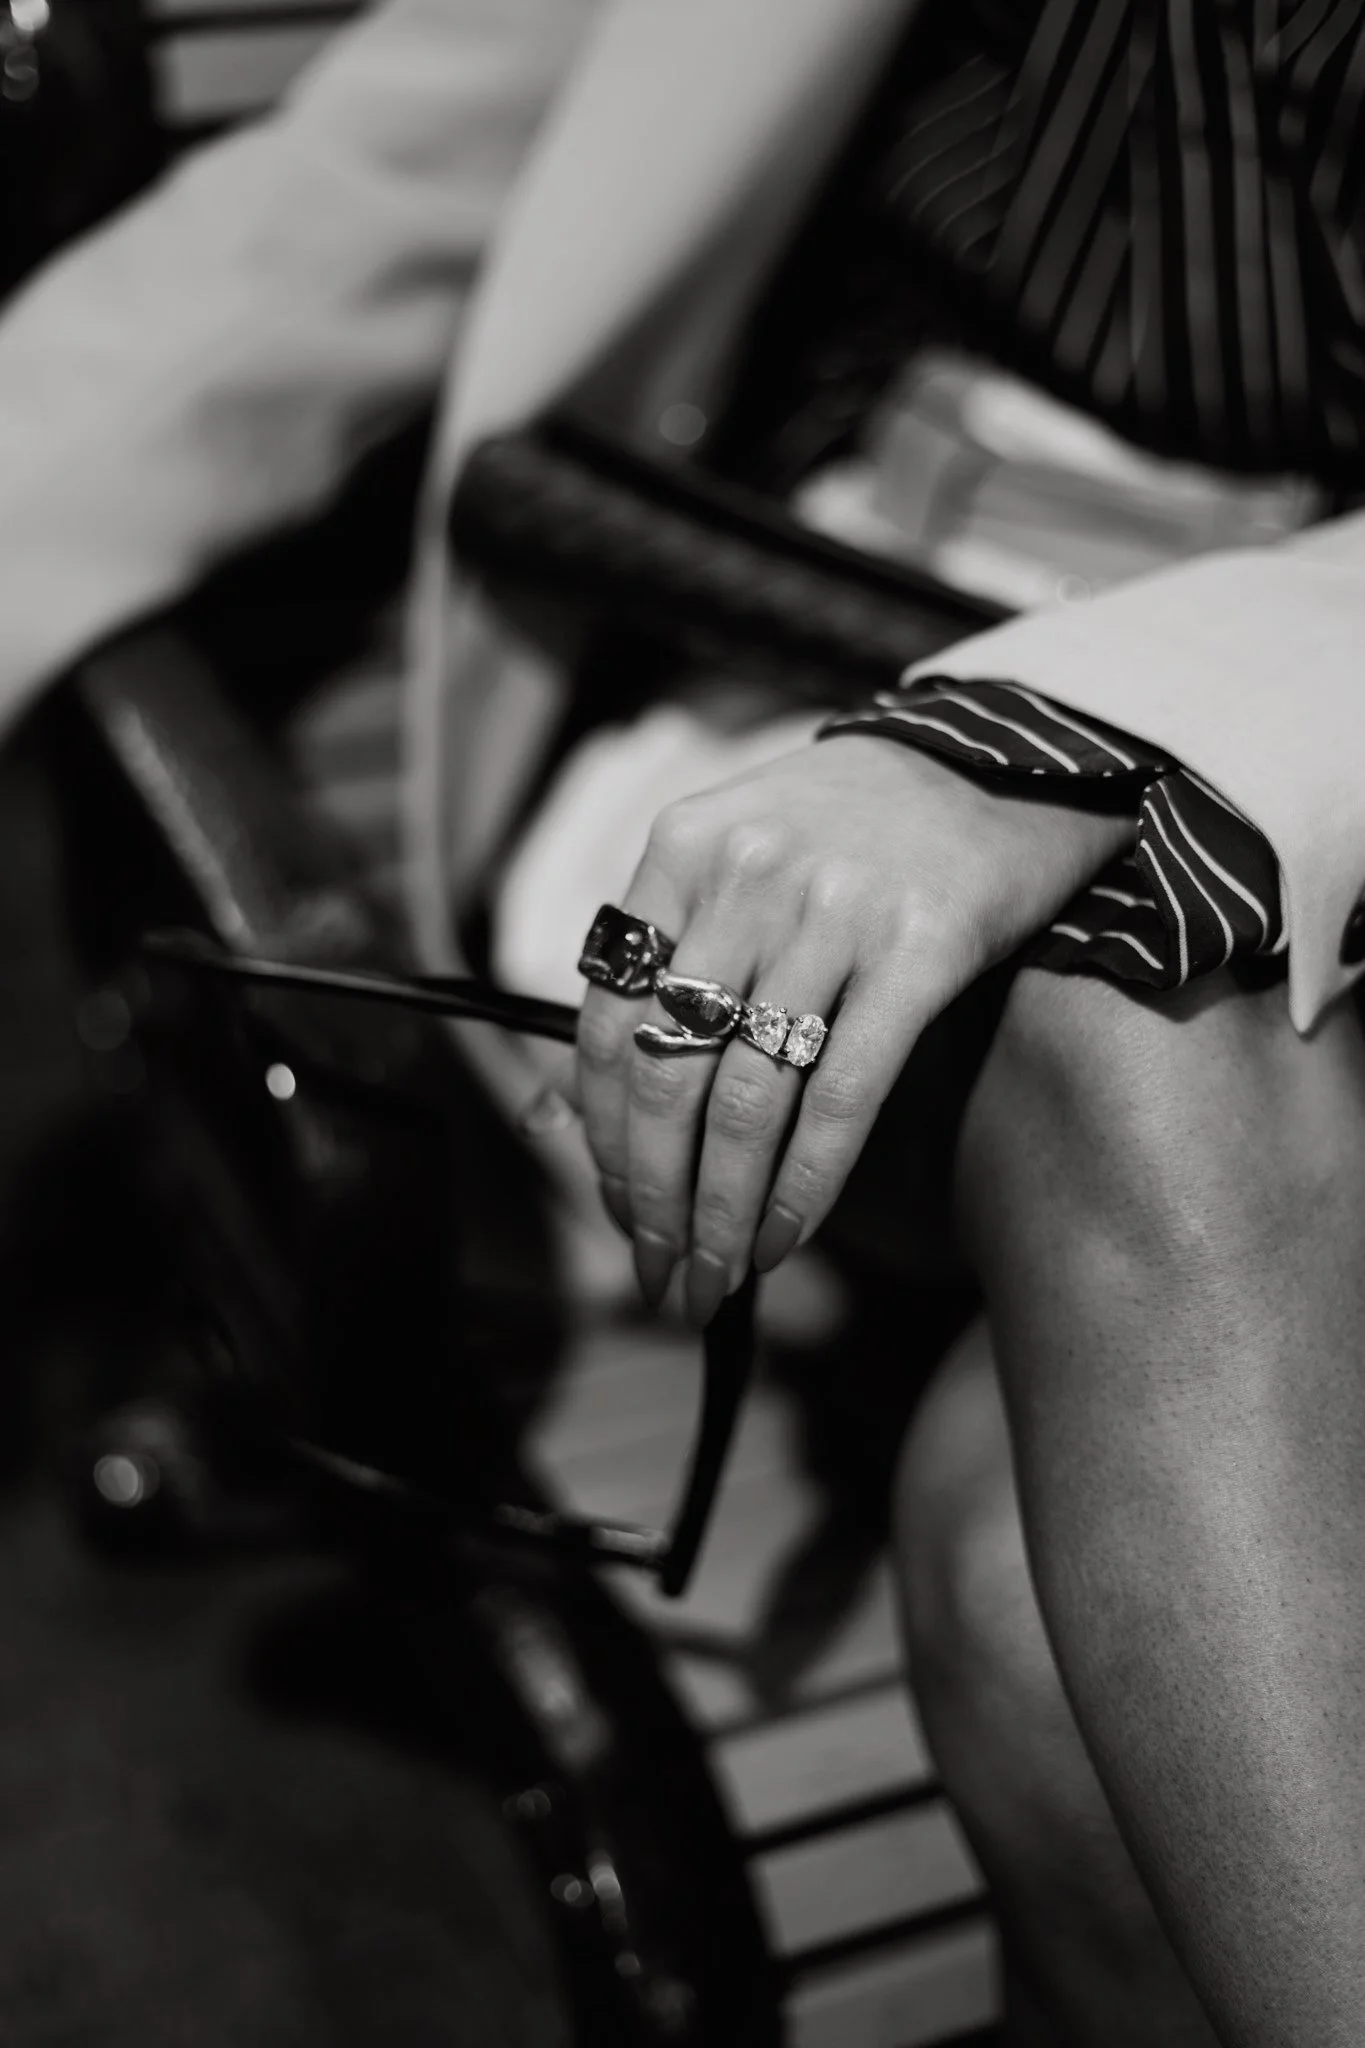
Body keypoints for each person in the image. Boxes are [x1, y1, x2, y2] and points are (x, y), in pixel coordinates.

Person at [5, 1, 1365, 2041]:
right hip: (797, 663)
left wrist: (1079, 741)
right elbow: (378, 184)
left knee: (1010, 1580)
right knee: (1150, 1036)